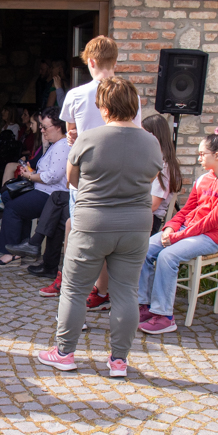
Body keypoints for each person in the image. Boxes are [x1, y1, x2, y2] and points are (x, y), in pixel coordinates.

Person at [37, 77, 163, 377]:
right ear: (133, 106)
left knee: (74, 289)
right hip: (135, 224)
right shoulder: (151, 141)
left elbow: (72, 179)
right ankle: (119, 360)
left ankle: (64, 353)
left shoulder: (88, 138)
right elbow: (150, 178)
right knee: (126, 292)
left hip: (93, 222)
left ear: (104, 108)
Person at [59, 36, 142, 309]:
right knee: (114, 241)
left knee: (82, 240)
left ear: (91, 62)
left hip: (87, 177)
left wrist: (75, 141)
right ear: (115, 61)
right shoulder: (131, 95)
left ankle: (79, 296)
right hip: (122, 176)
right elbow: (136, 134)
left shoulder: (76, 95)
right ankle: (104, 291)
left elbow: (71, 135)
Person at [137, 127, 218, 335]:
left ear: (217, 155)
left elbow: (211, 222)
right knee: (145, 247)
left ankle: (164, 316)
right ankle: (145, 305)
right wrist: (170, 227)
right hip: (186, 231)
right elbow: (186, 210)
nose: (199, 158)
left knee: (168, 256)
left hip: (209, 237)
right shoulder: (203, 180)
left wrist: (177, 236)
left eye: (202, 154)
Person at [0, 112, 71, 267]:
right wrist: (31, 172)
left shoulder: (62, 147)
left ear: (58, 127)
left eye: (45, 127)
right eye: (41, 126)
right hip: (45, 190)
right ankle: (21, 248)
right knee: (9, 197)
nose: (42, 130)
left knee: (13, 208)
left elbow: (53, 176)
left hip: (52, 195)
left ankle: (11, 253)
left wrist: (30, 176)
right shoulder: (55, 145)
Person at [142, 114, 183, 233]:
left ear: (153, 136)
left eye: (144, 134)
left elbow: (153, 205)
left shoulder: (164, 166)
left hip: (149, 220)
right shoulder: (152, 160)